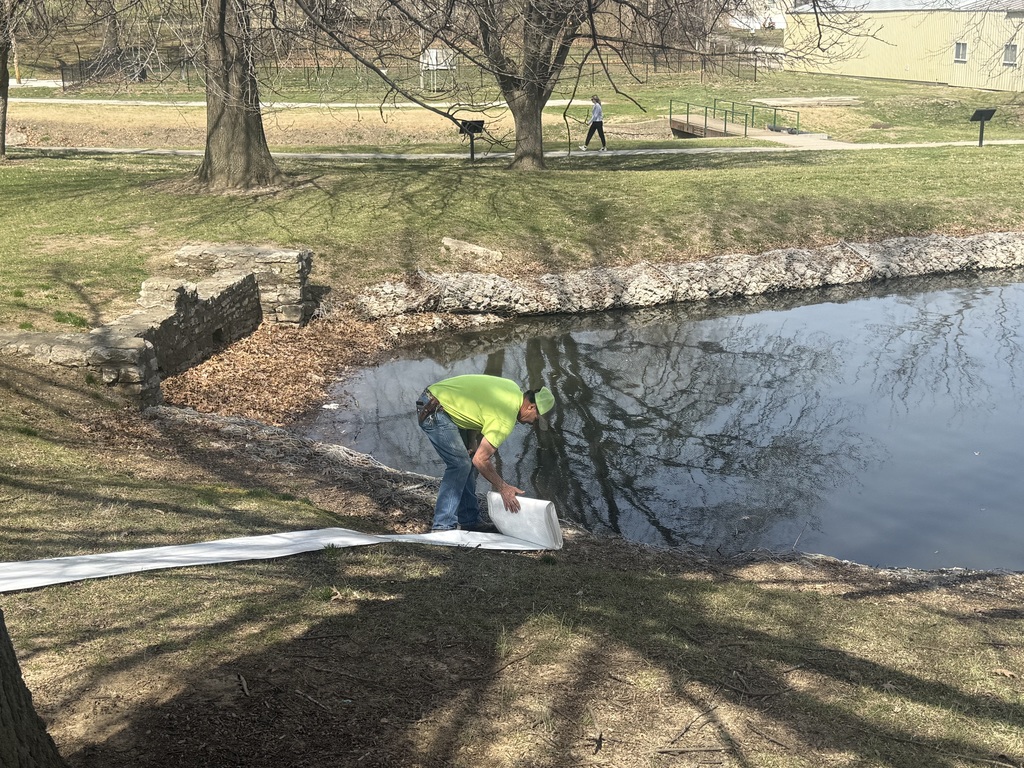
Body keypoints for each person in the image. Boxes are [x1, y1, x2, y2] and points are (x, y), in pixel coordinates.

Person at [416, 374, 555, 532]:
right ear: (531, 407)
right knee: (460, 465)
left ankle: (469, 520)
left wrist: (472, 440)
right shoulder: (506, 417)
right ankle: (442, 526)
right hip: (434, 410)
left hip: (442, 404)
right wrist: (503, 488)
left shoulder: (512, 390)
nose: (532, 423)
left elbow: (479, 405)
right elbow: (481, 460)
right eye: (536, 418)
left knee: (467, 461)